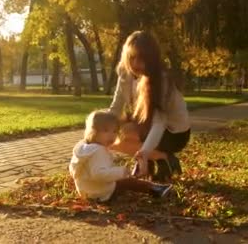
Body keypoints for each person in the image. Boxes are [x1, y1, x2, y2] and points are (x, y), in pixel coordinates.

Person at [108, 30, 191, 182]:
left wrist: (145, 152)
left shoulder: (161, 79)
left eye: (142, 58)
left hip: (174, 133)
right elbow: (115, 108)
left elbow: (159, 123)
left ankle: (161, 158)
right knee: (114, 136)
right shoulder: (125, 73)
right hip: (148, 125)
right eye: (132, 57)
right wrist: (97, 132)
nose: (136, 64)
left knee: (125, 134)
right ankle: (161, 159)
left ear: (152, 59)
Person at [69, 110, 172, 202]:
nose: (111, 135)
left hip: (87, 190)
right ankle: (156, 190)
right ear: (93, 131)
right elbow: (99, 174)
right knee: (128, 182)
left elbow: (74, 169)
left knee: (123, 183)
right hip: (100, 192)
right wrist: (121, 172)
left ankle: (150, 188)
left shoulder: (83, 148)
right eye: (105, 131)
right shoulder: (98, 151)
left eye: (114, 131)